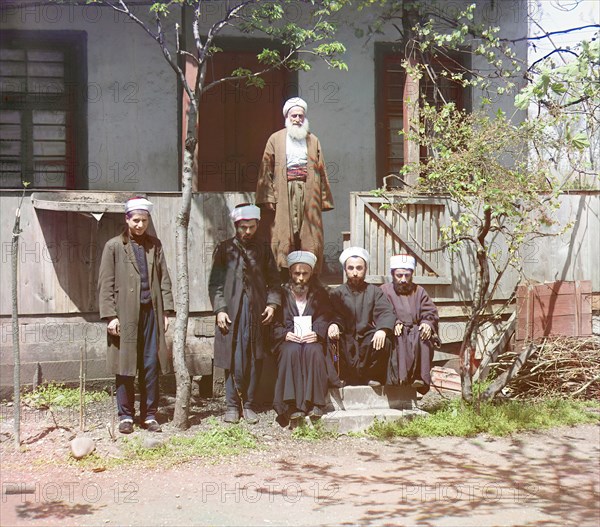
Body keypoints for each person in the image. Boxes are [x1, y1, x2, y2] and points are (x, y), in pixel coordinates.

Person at [98, 196, 174, 434]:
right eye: (136, 220)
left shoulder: (155, 245)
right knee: (126, 364)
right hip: (125, 316)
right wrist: (111, 316)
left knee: (150, 364)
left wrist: (167, 311)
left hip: (151, 313)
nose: (140, 225)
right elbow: (105, 284)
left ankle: (150, 415)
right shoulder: (113, 246)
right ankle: (125, 416)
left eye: (144, 220)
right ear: (127, 219)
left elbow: (164, 280)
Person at [208, 204, 282, 424]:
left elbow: (275, 282)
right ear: (236, 226)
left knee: (254, 357)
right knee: (232, 357)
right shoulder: (224, 249)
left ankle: (248, 405)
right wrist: (220, 309)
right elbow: (215, 284)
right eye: (243, 227)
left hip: (256, 314)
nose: (247, 232)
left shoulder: (263, 249)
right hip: (232, 314)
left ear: (257, 225)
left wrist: (272, 305)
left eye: (251, 227)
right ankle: (232, 406)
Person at [256, 96, 335, 279]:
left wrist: (322, 198)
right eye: (294, 116)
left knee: (309, 234)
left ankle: (310, 277)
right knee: (283, 232)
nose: (297, 120)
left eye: (300, 116)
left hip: (308, 191)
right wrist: (268, 196)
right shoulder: (275, 139)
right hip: (284, 191)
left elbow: (321, 168)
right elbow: (266, 168)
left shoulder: (312, 140)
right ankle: (282, 276)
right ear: (287, 117)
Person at [272, 251, 341, 423]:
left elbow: (326, 315)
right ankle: (291, 405)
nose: (301, 278)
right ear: (290, 273)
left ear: (311, 273)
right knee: (291, 351)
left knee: (315, 351)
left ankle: (315, 404)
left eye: (305, 273)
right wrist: (285, 334)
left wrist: (317, 333)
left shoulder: (320, 294)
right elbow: (274, 323)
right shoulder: (280, 294)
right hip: (288, 340)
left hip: (312, 338)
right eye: (297, 273)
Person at [329, 247, 396, 386]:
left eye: (359, 268)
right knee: (332, 342)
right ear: (345, 270)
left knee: (385, 342)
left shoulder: (374, 292)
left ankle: (371, 377)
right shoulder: (337, 293)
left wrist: (382, 330)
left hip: (366, 336)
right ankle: (341, 376)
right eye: (351, 268)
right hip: (344, 336)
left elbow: (386, 312)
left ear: (365, 269)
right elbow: (331, 313)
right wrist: (333, 324)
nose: (355, 273)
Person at [381, 254, 440, 391]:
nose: (403, 280)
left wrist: (427, 323)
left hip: (415, 331)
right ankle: (398, 380)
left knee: (424, 336)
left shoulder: (419, 291)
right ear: (392, 274)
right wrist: (393, 322)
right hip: (395, 331)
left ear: (412, 274)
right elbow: (380, 311)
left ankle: (420, 379)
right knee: (397, 337)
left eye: (407, 275)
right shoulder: (384, 290)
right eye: (399, 275)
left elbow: (430, 312)